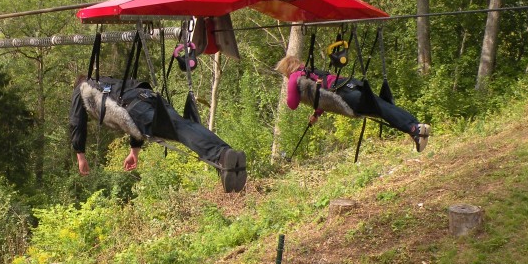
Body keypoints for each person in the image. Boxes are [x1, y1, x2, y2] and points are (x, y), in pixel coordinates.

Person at [69, 75, 247, 192]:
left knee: (178, 129)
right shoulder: (109, 82)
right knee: (183, 126)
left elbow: (77, 121)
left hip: (136, 107)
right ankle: (226, 157)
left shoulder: (82, 88)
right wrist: (134, 151)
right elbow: (126, 113)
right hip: (149, 98)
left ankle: (221, 156)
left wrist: (80, 156)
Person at [275, 54, 430, 151]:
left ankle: (414, 128)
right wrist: (317, 113)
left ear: (287, 69)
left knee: (381, 109)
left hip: (345, 94)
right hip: (351, 85)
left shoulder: (295, 77)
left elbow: (292, 104)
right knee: (383, 107)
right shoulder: (311, 72)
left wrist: (291, 89)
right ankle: (416, 127)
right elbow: (321, 94)